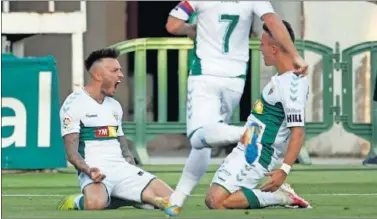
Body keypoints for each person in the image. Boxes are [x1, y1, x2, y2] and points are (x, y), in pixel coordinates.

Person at [158, 1, 308, 216]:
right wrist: (295, 55)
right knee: (206, 141)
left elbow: (173, 25)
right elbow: (272, 21)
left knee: (197, 136)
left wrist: (192, 30)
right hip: (236, 77)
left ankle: (242, 133)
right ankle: (177, 199)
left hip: (206, 72)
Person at [204, 20, 311, 210]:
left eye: (262, 44)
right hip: (246, 148)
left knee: (217, 202)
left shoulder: (291, 85)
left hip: (258, 154)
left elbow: (298, 131)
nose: (260, 49)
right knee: (212, 199)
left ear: (275, 48)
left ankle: (281, 197)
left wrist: (284, 170)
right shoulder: (281, 79)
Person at [57, 48, 173, 211]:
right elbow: (71, 153)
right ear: (97, 75)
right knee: (95, 204)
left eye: (120, 70)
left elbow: (123, 146)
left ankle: (130, 196)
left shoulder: (115, 106)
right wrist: (89, 171)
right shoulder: (74, 103)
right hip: (95, 171)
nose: (121, 75)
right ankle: (77, 201)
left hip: (121, 169)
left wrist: (133, 170)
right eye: (115, 71)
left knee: (173, 199)